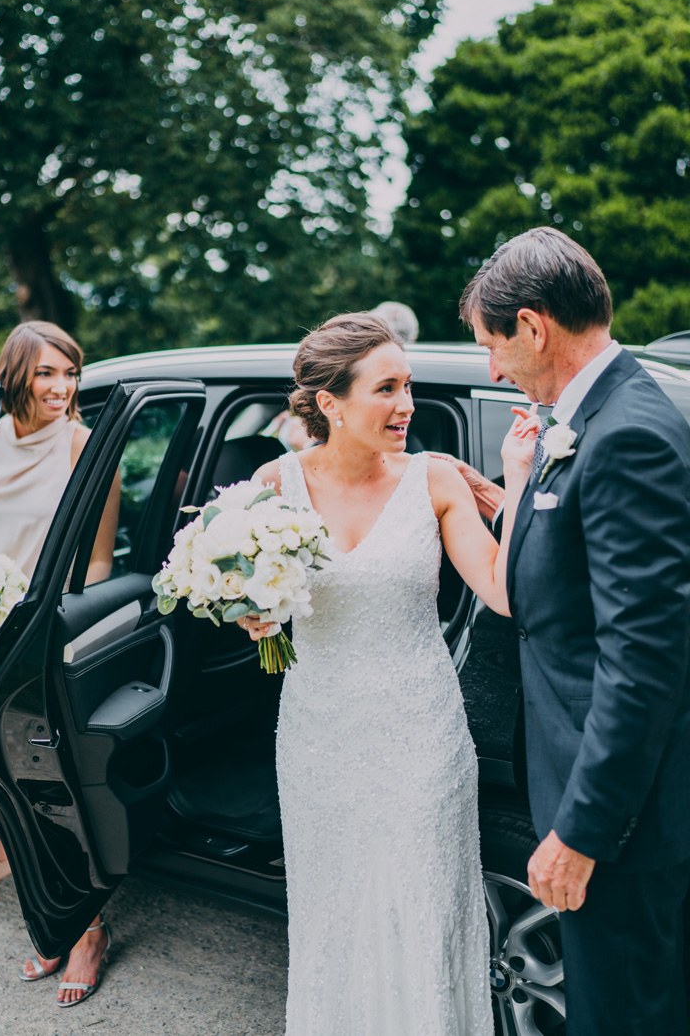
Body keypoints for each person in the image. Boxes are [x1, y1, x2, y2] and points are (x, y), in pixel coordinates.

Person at [240, 312, 536, 1035]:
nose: (407, 404)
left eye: (408, 386)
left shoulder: (434, 480)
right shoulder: (272, 485)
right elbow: (255, 602)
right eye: (387, 389)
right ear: (330, 403)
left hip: (419, 741)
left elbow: (501, 588)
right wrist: (250, 615)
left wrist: (520, 480)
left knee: (423, 914)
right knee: (333, 918)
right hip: (318, 740)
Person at [460, 226, 690, 1036]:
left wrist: (581, 832)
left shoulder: (626, 432)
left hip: (620, 822)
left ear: (532, 325)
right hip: (587, 789)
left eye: (492, 345)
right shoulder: (577, 419)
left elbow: (645, 660)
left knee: (626, 1017)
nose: (493, 369)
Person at [0, 321, 119, 1008]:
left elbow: (100, 556)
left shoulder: (82, 443)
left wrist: (64, 632)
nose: (63, 386)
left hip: (47, 641)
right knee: (7, 786)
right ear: (15, 373)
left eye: (70, 372)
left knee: (58, 792)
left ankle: (88, 930)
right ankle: (49, 914)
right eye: (48, 372)